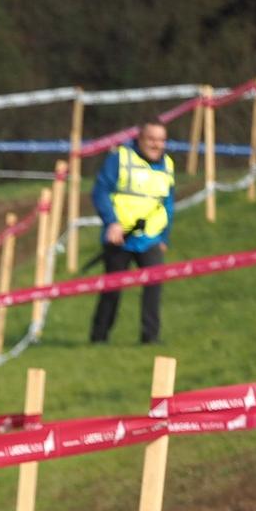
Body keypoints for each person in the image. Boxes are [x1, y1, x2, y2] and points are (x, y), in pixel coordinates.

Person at [89, 119, 176, 345]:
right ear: (140, 139)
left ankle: (150, 338)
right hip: (120, 238)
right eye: (151, 139)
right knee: (112, 290)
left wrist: (164, 237)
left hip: (151, 239)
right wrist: (112, 223)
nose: (156, 145)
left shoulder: (168, 165)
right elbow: (100, 192)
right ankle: (99, 338)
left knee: (154, 289)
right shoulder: (120, 158)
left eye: (161, 140)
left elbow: (168, 203)